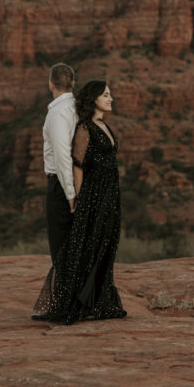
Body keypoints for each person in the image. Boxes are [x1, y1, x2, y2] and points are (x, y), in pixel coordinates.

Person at [32, 80, 127, 325]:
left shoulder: (103, 124)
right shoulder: (85, 128)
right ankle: (75, 303)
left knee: (106, 245)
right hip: (93, 197)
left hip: (109, 197)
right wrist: (79, 198)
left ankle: (98, 300)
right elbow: (78, 165)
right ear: (94, 98)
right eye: (106, 95)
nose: (111, 98)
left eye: (110, 94)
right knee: (86, 247)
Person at [42, 63, 78, 266]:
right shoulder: (78, 107)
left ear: (50, 84)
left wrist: (70, 194)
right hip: (78, 180)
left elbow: (63, 156)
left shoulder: (57, 113)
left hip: (61, 187)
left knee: (61, 248)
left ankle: (66, 297)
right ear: (72, 84)